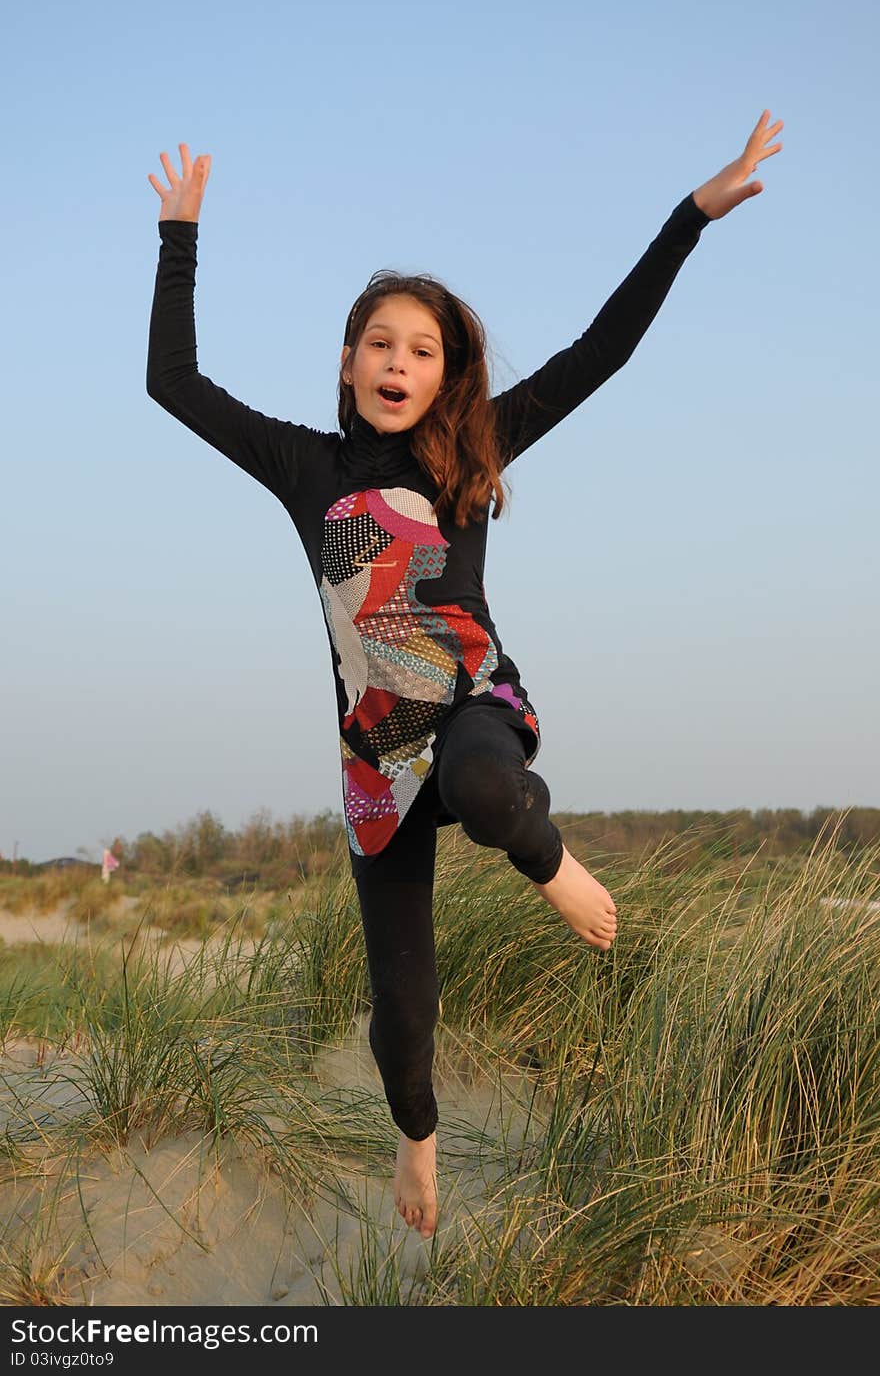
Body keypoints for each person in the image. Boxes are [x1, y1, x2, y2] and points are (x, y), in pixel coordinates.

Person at [146, 111, 783, 1239]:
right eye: (380, 343)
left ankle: (554, 865)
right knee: (403, 1012)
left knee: (491, 794)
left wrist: (691, 217)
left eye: (422, 349)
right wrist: (180, 239)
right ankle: (419, 1145)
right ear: (347, 363)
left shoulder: (471, 450)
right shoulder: (306, 468)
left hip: (474, 708)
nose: (399, 362)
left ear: (449, 377)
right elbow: (174, 382)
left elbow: (601, 351)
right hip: (376, 759)